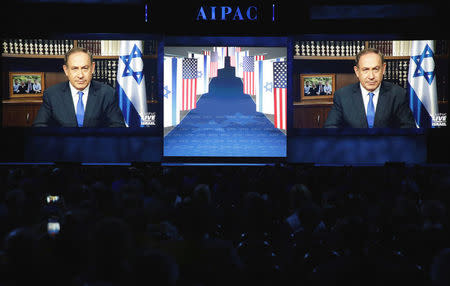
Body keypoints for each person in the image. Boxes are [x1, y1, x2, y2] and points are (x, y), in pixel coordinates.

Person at [33, 47, 125, 127]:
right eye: (75, 69)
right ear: (66, 70)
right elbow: (40, 125)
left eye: (85, 68)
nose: (80, 75)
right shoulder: (51, 94)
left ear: (92, 68)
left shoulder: (107, 93)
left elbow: (117, 126)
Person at [324, 48, 416, 128]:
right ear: (357, 71)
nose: (371, 76)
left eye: (375, 69)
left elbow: (408, 129)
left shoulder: (398, 94)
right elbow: (330, 128)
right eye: (365, 70)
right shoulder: (342, 96)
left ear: (383, 69)